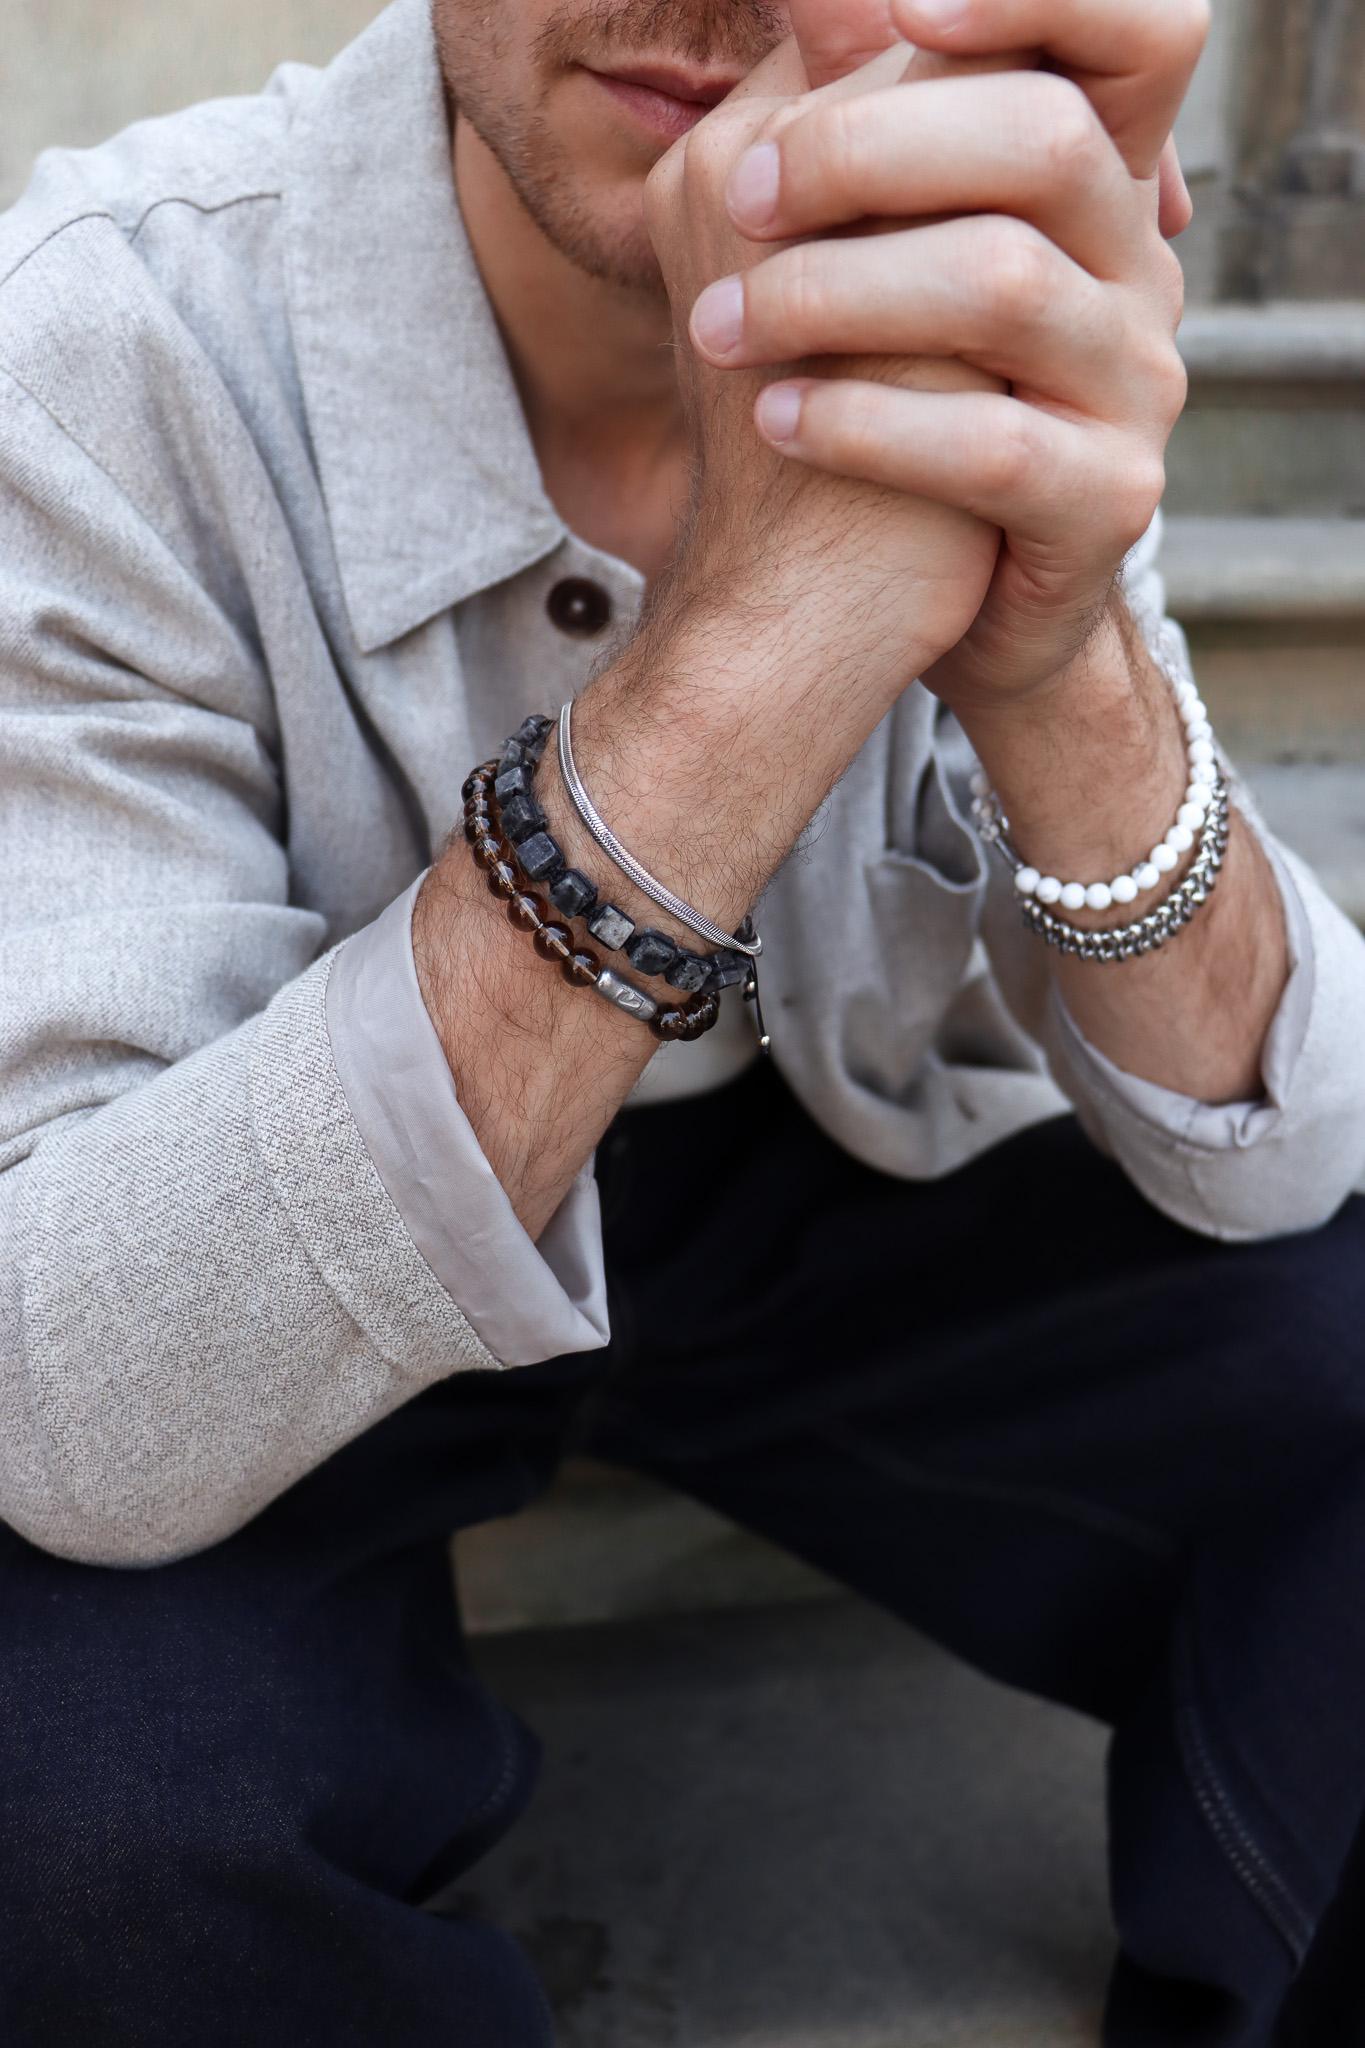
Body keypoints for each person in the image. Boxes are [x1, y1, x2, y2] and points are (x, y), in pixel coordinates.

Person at [0, 0, 1362, 2039]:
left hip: (821, 1154)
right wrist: (756, 656)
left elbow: (1280, 1146)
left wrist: (1060, 655)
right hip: (257, 1175)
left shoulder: (974, 279)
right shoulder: (101, 337)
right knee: (80, 1825)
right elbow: (77, 1404)